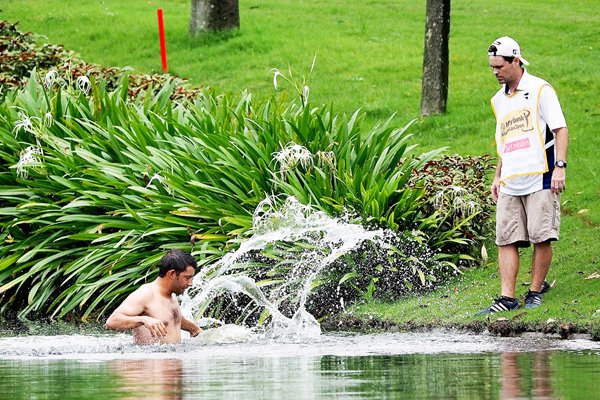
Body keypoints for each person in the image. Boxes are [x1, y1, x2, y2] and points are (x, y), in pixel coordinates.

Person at [479, 36, 568, 314]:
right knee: (505, 238)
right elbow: (503, 142)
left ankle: (534, 292)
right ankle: (507, 298)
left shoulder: (540, 89)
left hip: (541, 175)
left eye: (499, 67)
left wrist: (560, 167)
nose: (495, 72)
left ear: (515, 61)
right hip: (510, 179)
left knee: (542, 236)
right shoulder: (498, 100)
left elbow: (560, 130)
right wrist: (497, 176)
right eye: (492, 67)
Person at [105, 249, 203, 344]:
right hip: (149, 358)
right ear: (172, 274)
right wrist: (144, 319)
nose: (190, 284)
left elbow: (171, 319)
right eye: (187, 278)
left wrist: (194, 329)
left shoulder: (171, 296)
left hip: (173, 357)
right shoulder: (145, 294)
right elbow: (112, 321)